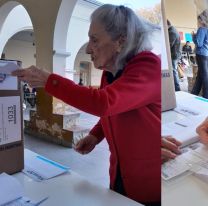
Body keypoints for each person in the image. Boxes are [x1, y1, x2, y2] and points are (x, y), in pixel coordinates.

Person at [12, 4, 161, 205]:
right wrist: (95, 135)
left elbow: (104, 103)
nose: (89, 48)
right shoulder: (110, 72)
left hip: (149, 182)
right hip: (119, 173)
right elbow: (115, 111)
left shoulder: (148, 66)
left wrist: (50, 81)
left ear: (121, 40)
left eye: (95, 39)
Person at [191, 9, 208, 99]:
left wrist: (193, 36)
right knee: (201, 75)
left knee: (204, 75)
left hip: (201, 54)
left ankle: (206, 96)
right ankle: (194, 94)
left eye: (199, 20)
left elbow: (199, 43)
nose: (199, 22)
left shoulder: (202, 29)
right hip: (206, 54)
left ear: (202, 20)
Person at [167, 20, 181, 91]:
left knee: (173, 71)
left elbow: (169, 45)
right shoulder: (173, 29)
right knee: (174, 71)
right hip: (175, 54)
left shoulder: (171, 32)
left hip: (174, 55)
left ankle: (177, 89)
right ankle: (176, 88)